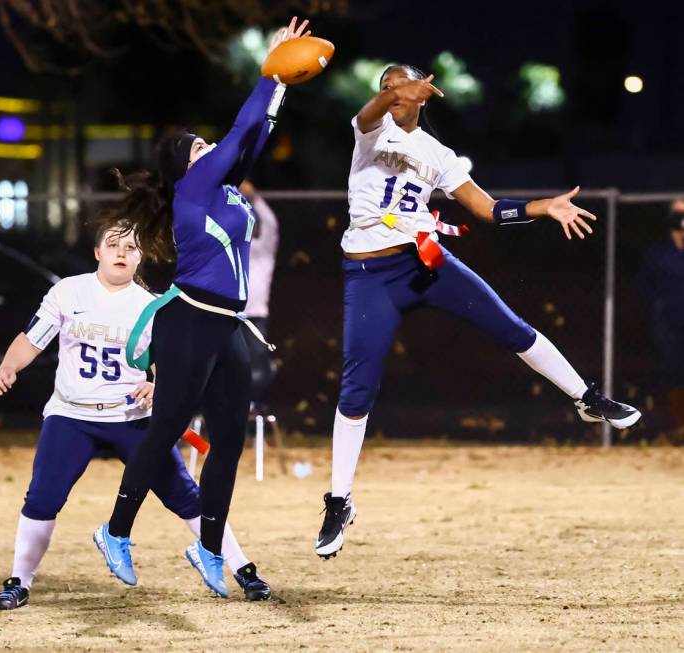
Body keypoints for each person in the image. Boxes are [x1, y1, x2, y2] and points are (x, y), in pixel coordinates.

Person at [314, 64, 641, 559]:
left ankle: (588, 398)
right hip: (370, 277)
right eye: (385, 88)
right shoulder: (371, 132)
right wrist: (392, 93)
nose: (391, 93)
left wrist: (542, 207)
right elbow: (366, 113)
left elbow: (486, 209)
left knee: (513, 328)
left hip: (425, 261)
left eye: (400, 86)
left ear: (424, 94)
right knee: (357, 387)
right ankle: (339, 500)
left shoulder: (437, 153)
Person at [93, 17, 310, 598]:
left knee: (230, 442)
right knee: (166, 428)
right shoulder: (194, 189)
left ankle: (208, 547)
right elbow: (242, 127)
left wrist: (282, 79)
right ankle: (115, 531)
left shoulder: (227, 188)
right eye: (198, 146)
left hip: (227, 326)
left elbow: (255, 132)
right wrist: (269, 66)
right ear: (185, 165)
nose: (209, 147)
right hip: (188, 320)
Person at [0, 223, 270, 610]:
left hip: (131, 418)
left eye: (131, 247)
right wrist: (8, 367)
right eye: (113, 244)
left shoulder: (154, 305)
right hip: (72, 415)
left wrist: (157, 386)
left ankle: (242, 569)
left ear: (141, 257)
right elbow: (32, 338)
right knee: (42, 498)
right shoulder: (68, 291)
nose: (121, 252)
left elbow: (170, 366)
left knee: (185, 495)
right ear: (97, 251)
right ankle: (19, 581)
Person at [637, 199, 684, 433]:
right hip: (670, 325)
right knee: (674, 375)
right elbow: (645, 288)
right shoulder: (659, 253)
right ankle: (679, 426)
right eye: (678, 214)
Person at [239, 180, 280, 409]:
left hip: (255, 316)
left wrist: (254, 198)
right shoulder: (233, 246)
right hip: (230, 315)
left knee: (257, 369)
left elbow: (271, 223)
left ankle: (252, 406)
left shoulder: (264, 248)